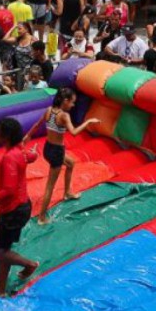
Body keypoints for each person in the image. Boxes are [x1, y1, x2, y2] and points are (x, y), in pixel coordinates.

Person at [0, 117, 39, 297]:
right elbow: (30, 156)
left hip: (13, 210)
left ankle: (29, 264)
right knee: (4, 250)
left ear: (6, 136)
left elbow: (9, 190)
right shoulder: (19, 151)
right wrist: (35, 154)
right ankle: (0, 290)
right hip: (21, 206)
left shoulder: (9, 158)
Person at [30, 88, 99, 224]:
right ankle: (42, 217)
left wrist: (27, 136)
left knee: (70, 163)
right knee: (50, 186)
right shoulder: (64, 115)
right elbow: (73, 132)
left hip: (47, 148)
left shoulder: (49, 110)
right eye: (72, 102)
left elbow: (37, 125)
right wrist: (88, 122)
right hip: (56, 152)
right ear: (65, 101)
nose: (73, 105)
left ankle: (67, 192)